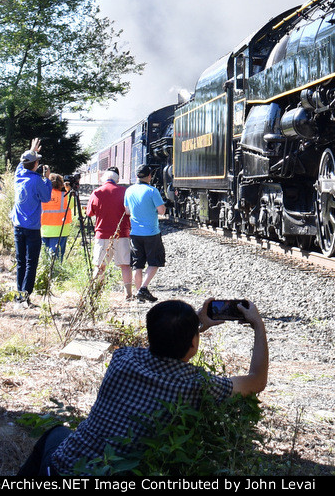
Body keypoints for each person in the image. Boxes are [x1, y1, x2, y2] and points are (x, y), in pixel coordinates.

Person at [34, 297, 268, 476]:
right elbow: (257, 380)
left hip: (60, 468)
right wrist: (258, 325)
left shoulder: (123, 358)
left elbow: (166, 341)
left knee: (56, 434)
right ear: (193, 345)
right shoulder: (196, 384)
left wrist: (193, 323)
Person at [13, 138, 53, 306]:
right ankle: (25, 297)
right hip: (32, 228)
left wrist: (31, 151)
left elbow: (22, 164)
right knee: (31, 263)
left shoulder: (18, 175)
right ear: (36, 164)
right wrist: (48, 178)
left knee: (21, 261)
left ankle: (19, 295)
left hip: (18, 226)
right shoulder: (37, 180)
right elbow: (46, 197)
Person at [86, 165, 133, 300]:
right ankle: (128, 294)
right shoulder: (124, 192)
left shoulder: (97, 192)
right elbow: (129, 211)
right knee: (125, 265)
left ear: (104, 179)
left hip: (102, 234)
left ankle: (96, 293)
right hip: (122, 234)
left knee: (99, 266)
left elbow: (89, 213)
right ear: (117, 180)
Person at [124, 164, 165, 303]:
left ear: (136, 176)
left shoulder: (129, 191)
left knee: (138, 264)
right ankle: (143, 288)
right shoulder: (152, 191)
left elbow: (127, 211)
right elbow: (161, 211)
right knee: (155, 262)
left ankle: (139, 295)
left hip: (135, 233)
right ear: (149, 176)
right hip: (151, 232)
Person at [40, 174, 74, 261]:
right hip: (61, 230)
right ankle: (55, 274)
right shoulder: (65, 195)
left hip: (44, 230)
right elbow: (72, 205)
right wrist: (69, 190)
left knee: (44, 257)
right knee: (56, 260)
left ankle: (45, 273)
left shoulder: (43, 195)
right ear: (61, 184)